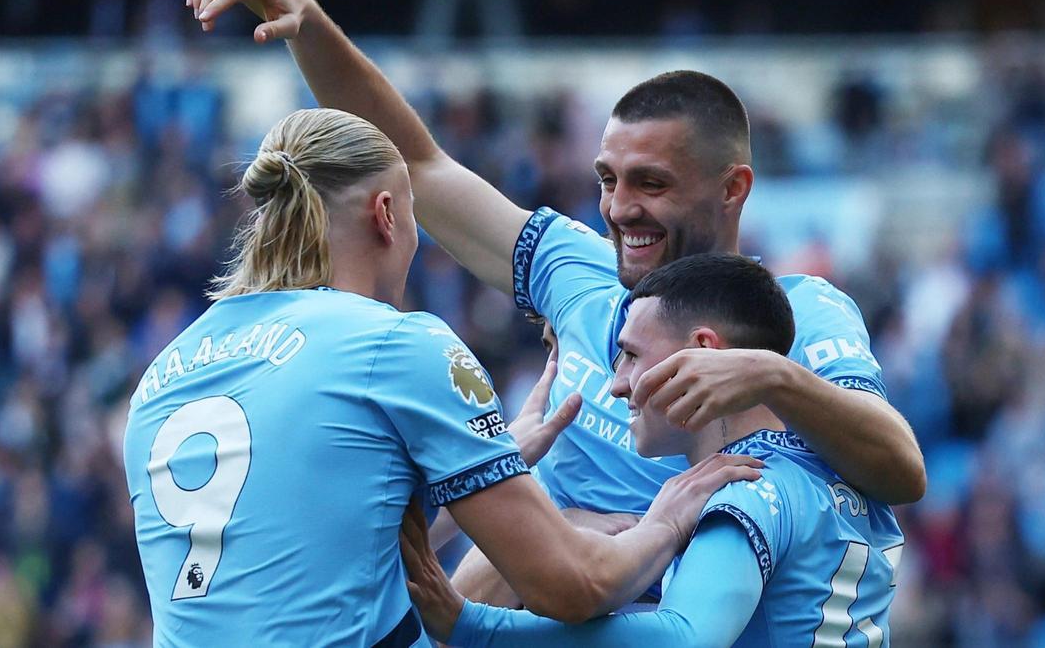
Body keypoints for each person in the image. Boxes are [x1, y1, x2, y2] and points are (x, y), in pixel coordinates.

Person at [189, 0, 924, 602]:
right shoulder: (576, 269)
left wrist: (771, 374)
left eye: (651, 183)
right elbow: (420, 163)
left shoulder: (800, 312)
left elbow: (900, 467)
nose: (618, 207)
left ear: (733, 189)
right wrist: (311, 29)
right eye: (608, 179)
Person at [122, 108, 764, 646]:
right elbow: (572, 585)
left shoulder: (165, 372)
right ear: (386, 215)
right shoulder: (398, 342)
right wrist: (666, 521)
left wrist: (490, 461)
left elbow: (318, 553)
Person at [401, 253, 906, 647]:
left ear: (703, 354)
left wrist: (471, 625)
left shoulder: (747, 486)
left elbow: (685, 635)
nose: (617, 384)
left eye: (631, 355)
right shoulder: (830, 462)